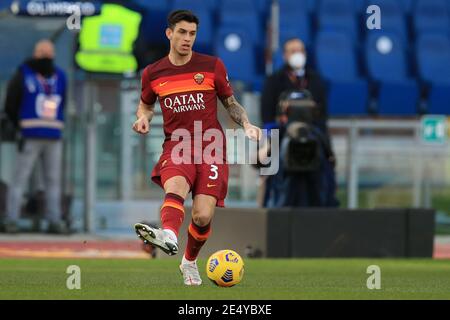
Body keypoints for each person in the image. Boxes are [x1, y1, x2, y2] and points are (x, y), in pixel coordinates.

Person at [133, 10, 261, 286]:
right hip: (177, 146)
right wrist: (143, 118)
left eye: (192, 34)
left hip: (211, 147)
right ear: (169, 33)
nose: (187, 39)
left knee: (202, 215)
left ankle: (189, 261)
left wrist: (247, 124)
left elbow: (230, 103)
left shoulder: (212, 66)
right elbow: (146, 104)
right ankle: (168, 234)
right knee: (175, 187)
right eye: (182, 32)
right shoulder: (153, 73)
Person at [260, 38, 338, 208]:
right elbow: (266, 117)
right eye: (293, 51)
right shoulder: (274, 81)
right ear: (285, 55)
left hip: (312, 139)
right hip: (281, 140)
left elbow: (322, 116)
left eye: (301, 50)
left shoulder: (316, 80)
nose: (298, 54)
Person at [2, 39, 67, 234]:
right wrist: (18, 125)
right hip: (29, 134)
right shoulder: (23, 74)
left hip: (53, 135)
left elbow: (62, 103)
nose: (46, 57)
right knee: (20, 178)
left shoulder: (60, 76)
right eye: (42, 52)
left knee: (53, 180)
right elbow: (11, 102)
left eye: (49, 53)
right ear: (35, 53)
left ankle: (54, 220)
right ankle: (12, 219)